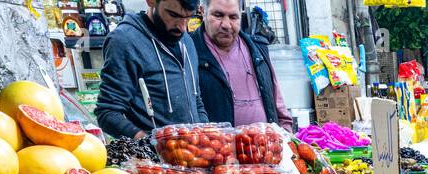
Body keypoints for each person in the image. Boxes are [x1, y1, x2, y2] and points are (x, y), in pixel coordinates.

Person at [96, 0, 207, 139]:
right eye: (173, 15)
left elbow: (196, 100)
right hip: (154, 158)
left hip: (193, 154)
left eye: (189, 17)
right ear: (151, 1)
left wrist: (206, 137)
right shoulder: (125, 41)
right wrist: (151, 145)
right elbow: (107, 112)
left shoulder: (187, 42)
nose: (182, 27)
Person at [193, 0, 294, 131]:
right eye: (218, 15)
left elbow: (278, 106)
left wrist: (286, 138)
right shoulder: (190, 52)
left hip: (266, 148)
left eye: (233, 17)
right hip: (217, 149)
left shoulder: (258, 49)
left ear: (241, 15)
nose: (226, 25)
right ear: (202, 11)